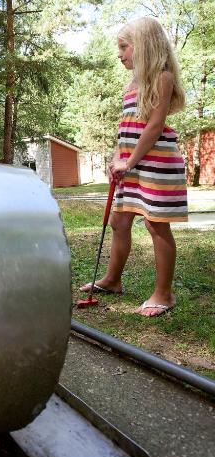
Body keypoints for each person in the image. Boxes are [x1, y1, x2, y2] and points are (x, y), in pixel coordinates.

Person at [80, 17, 188, 317]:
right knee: (119, 222)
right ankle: (112, 280)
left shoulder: (162, 77)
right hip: (131, 164)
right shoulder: (131, 84)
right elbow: (126, 127)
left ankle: (164, 294)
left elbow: (153, 128)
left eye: (124, 47)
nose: (120, 54)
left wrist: (129, 160)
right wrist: (118, 158)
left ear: (143, 46)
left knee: (156, 224)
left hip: (156, 162)